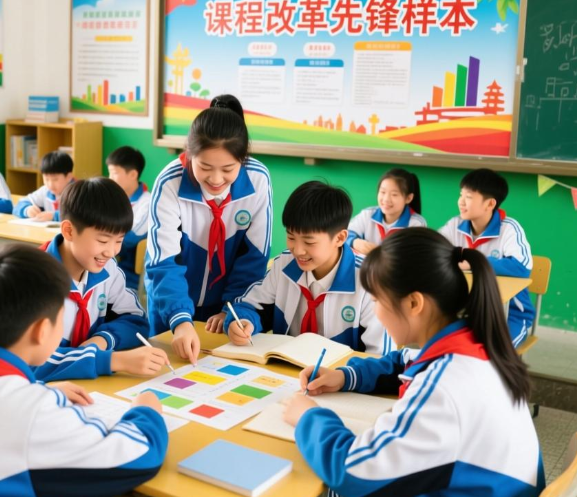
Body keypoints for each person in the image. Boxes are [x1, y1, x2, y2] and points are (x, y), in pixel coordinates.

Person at [283, 228, 544, 497]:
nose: (376, 312)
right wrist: (346, 376)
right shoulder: (469, 344)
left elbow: (355, 472)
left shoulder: (443, 389)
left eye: (377, 300)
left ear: (413, 303)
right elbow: (404, 362)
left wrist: (308, 417)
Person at [0, 243, 168, 497]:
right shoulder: (32, 412)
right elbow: (139, 455)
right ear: (42, 330)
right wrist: (146, 409)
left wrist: (39, 392)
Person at [145, 94, 272, 363]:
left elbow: (254, 257)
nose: (216, 179)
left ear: (243, 160)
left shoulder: (258, 180)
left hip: (224, 310)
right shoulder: (170, 182)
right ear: (189, 154)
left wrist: (234, 310)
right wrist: (180, 320)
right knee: (168, 373)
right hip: (172, 306)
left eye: (228, 169)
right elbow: (163, 263)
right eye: (204, 167)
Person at [225, 181, 392, 355]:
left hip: (341, 371)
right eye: (291, 237)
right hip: (283, 369)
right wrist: (243, 322)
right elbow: (247, 305)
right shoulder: (284, 264)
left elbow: (381, 357)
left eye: (309, 242)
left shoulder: (371, 281)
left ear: (340, 238)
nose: (297, 250)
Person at [35, 178, 169, 382]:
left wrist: (101, 340)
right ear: (69, 231)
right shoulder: (33, 278)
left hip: (86, 385)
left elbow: (136, 321)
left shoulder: (107, 268)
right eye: (103, 240)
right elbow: (31, 362)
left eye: (119, 241)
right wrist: (111, 360)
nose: (111, 252)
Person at [440, 168, 534, 347]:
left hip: (509, 314)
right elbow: (434, 252)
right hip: (468, 310)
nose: (461, 201)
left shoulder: (509, 229)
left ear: (490, 204)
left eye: (468, 197)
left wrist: (474, 262)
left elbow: (522, 268)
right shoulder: (455, 225)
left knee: (494, 351)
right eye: (461, 195)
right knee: (443, 344)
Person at [348, 167, 425, 258]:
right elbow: (344, 233)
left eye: (394, 194)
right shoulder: (367, 214)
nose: (386, 199)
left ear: (408, 198)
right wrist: (354, 242)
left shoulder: (416, 224)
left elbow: (414, 255)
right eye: (383, 192)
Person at [106, 146, 150, 290]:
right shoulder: (113, 198)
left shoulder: (147, 203)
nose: (110, 178)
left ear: (132, 174)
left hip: (128, 276)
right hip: (108, 265)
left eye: (114, 173)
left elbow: (128, 240)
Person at [13, 150, 74, 221]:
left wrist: (54, 216)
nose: (50, 185)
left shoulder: (78, 192)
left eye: (55, 179)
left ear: (69, 177)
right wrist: (27, 210)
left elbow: (80, 216)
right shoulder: (45, 191)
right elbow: (18, 206)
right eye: (46, 179)